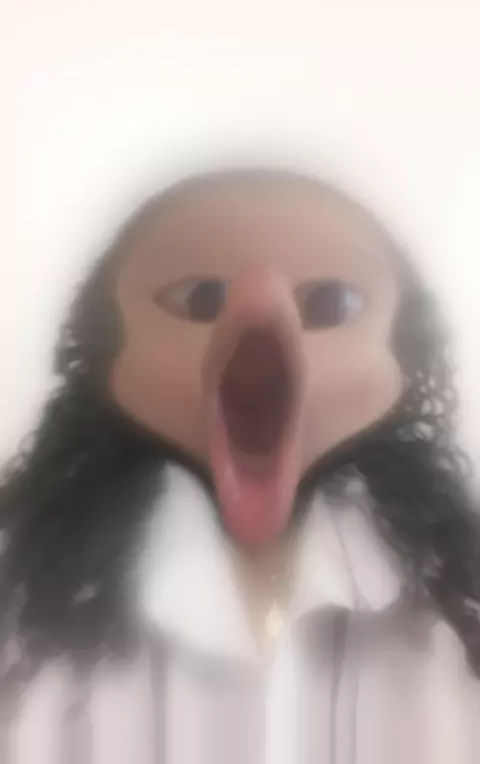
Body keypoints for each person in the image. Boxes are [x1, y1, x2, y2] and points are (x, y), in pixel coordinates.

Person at [1, 166, 480, 763]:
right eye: (201, 297)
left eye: (332, 303)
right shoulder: (17, 581)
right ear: (107, 349)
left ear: (403, 361)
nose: (264, 316)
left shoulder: (455, 597)